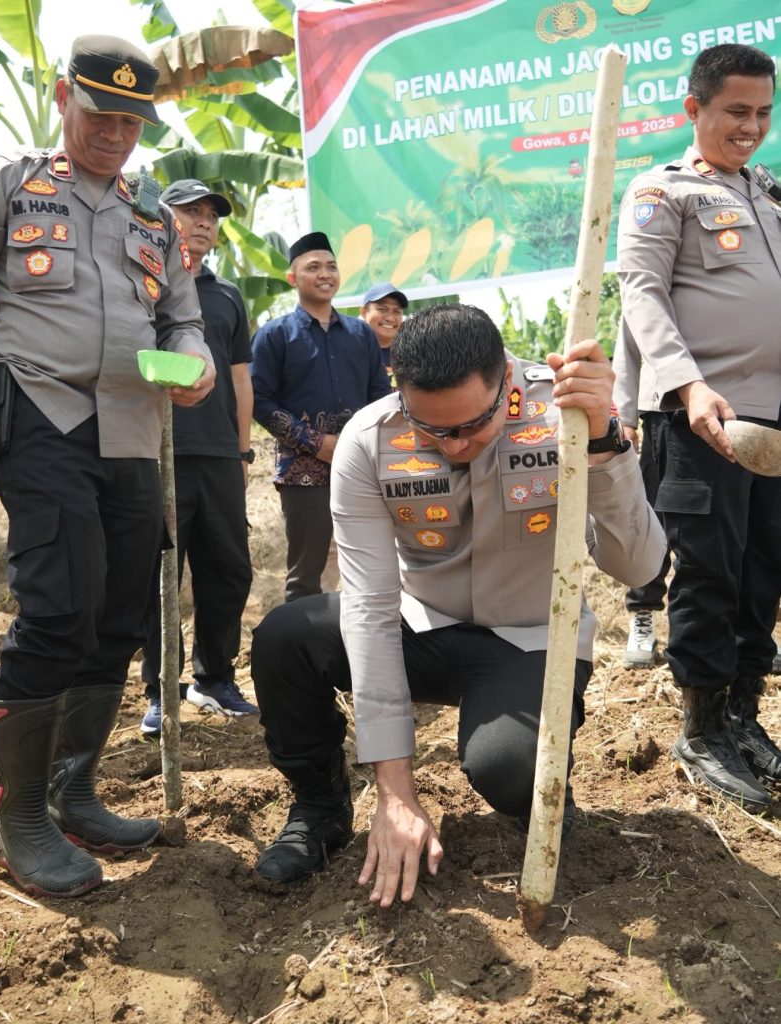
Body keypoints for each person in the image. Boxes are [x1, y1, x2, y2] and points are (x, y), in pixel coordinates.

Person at [249, 303, 666, 904]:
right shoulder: (369, 441)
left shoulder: (568, 414)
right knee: (286, 636)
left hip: (529, 639)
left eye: (473, 425)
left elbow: (641, 566)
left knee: (508, 770)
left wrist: (603, 444)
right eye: (433, 430)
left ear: (506, 378)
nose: (455, 445)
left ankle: (538, 779)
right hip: (419, 627)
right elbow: (368, 607)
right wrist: (394, 792)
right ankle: (319, 808)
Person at [0, 35, 215, 898]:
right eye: (102, 115)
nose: (118, 133)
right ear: (63, 97)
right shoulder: (12, 181)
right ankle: (14, 814)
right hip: (40, 408)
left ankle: (71, 789)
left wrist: (195, 358)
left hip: (132, 426)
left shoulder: (151, 217)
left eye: (134, 121)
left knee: (119, 610)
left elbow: (182, 318)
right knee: (58, 603)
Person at [616, 43, 781, 811]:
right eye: (736, 112)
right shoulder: (662, 191)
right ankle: (702, 727)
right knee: (709, 573)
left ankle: (743, 715)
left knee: (762, 573)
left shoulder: (770, 196)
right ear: (696, 109)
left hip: (774, 424)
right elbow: (643, 296)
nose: (751, 127)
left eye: (763, 113)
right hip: (701, 418)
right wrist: (688, 385)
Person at [140, 179, 256, 736]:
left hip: (218, 455)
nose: (204, 221)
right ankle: (161, 689)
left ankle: (215, 678)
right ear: (165, 216)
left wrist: (242, 450)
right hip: (158, 450)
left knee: (229, 569)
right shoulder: (143, 282)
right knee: (159, 571)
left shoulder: (229, 295)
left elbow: (239, 380)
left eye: (212, 214)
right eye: (191, 211)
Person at [250, 231, 391, 602]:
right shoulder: (274, 336)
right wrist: (317, 444)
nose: (325, 273)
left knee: (368, 565)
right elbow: (259, 401)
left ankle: (359, 649)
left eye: (331, 266)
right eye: (313, 267)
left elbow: (380, 397)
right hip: (303, 474)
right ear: (293, 278)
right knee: (305, 576)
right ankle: (306, 654)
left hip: (362, 467)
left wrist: (360, 444)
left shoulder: (361, 334)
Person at [612, 323, 671, 668]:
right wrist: (627, 417)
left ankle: (749, 624)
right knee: (651, 522)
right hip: (666, 411)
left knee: (741, 525)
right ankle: (643, 614)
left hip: (748, 409)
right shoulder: (652, 275)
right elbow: (628, 348)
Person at [359, 282, 408, 388]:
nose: (390, 318)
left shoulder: (411, 353)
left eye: (397, 311)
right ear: (363, 312)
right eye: (382, 309)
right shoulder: (351, 352)